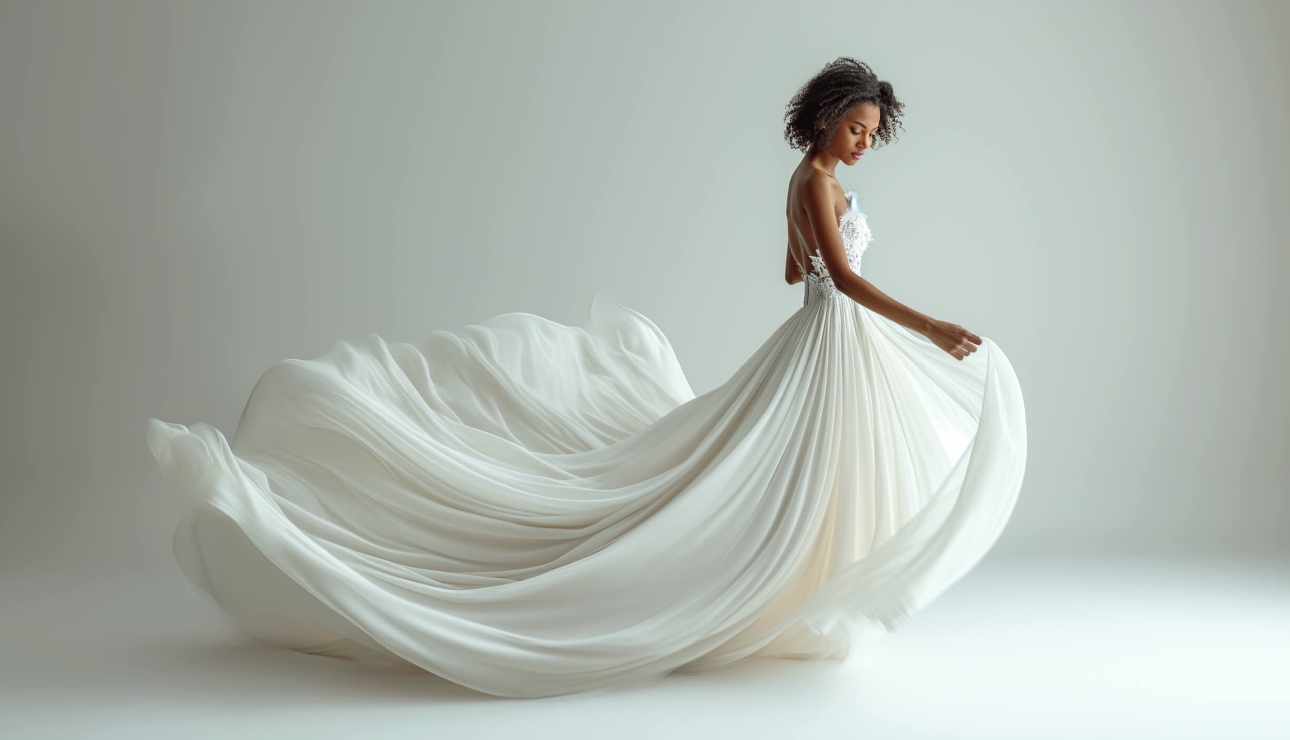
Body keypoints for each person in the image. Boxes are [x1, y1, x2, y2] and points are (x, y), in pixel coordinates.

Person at [146, 56, 1027, 699]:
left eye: (874, 135)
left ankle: (801, 586)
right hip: (837, 337)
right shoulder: (816, 184)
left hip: (827, 333)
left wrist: (832, 264)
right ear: (825, 118)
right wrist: (930, 322)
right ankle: (760, 590)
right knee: (790, 473)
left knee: (819, 469)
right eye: (856, 130)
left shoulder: (815, 181)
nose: (865, 145)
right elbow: (842, 281)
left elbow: (794, 276)